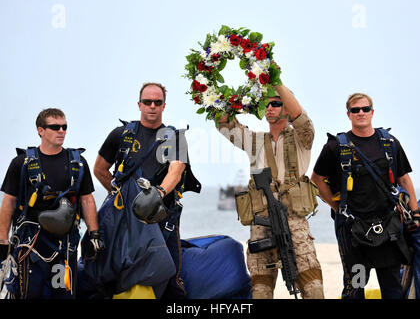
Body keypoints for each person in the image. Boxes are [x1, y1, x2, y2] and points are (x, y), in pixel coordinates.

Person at [216, 72, 324, 299]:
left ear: (287, 107)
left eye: (276, 103)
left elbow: (300, 116)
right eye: (266, 104)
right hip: (261, 225)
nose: (270, 107)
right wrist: (244, 97)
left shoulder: (302, 138)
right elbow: (224, 123)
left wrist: (275, 80)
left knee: (313, 288)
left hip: (294, 223)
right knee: (261, 291)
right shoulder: (254, 141)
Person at [93, 82, 200, 298]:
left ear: (164, 106)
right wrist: (123, 197)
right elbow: (99, 169)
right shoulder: (121, 135)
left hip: (161, 220)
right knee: (109, 275)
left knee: (170, 278)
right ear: (139, 105)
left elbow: (176, 171)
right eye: (147, 102)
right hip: (124, 222)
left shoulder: (175, 138)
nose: (152, 106)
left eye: (157, 102)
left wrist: (157, 195)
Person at [311, 93, 420, 299]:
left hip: (388, 229)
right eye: (355, 110)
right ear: (348, 114)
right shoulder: (336, 147)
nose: (360, 113)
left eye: (365, 109)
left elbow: (404, 179)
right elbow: (316, 179)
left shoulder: (389, 143)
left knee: (392, 288)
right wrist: (337, 208)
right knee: (356, 287)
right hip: (354, 233)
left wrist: (415, 213)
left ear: (372, 112)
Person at [0, 108, 104, 299]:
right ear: (41, 130)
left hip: (63, 247)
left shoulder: (78, 163)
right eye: (55, 127)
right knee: (28, 294)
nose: (61, 131)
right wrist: (3, 240)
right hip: (30, 244)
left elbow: (87, 200)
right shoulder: (21, 163)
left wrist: (94, 233)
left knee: (63, 294)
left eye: (64, 127)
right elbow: (9, 202)